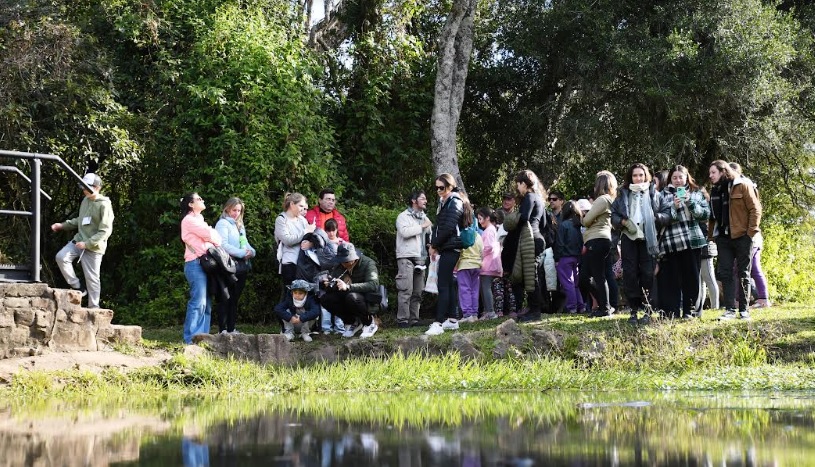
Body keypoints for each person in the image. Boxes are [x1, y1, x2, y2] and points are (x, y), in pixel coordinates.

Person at [709, 160, 762, 320]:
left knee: (743, 273)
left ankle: (744, 310)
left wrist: (750, 233)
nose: (710, 176)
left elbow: (755, 209)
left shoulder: (742, 185)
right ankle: (730, 310)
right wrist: (712, 236)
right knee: (725, 273)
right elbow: (712, 217)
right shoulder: (715, 190)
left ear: (723, 172)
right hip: (723, 238)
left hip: (742, 237)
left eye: (713, 172)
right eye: (710, 173)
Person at [52, 173, 115, 308]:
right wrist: (62, 225)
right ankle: (78, 287)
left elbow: (105, 231)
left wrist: (88, 244)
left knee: (92, 278)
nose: (84, 190)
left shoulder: (104, 205)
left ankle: (94, 307)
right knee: (61, 257)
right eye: (83, 186)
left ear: (97, 187)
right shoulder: (85, 201)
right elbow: (80, 220)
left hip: (93, 247)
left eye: (87, 187)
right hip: (78, 241)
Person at [655, 165, 710, 319]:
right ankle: (671, 312)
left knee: (691, 278)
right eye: (675, 177)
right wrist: (674, 206)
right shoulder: (662, 195)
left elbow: (705, 215)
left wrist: (690, 202)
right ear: (670, 179)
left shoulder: (696, 193)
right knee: (670, 280)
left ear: (687, 177)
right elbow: (660, 218)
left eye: (681, 177)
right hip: (670, 242)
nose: (678, 180)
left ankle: (690, 311)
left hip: (692, 241)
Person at [610, 163, 661, 324]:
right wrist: (623, 222)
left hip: (648, 238)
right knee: (630, 274)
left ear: (646, 176)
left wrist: (656, 219)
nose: (638, 178)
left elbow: (662, 213)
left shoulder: (654, 193)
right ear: (630, 177)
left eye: (641, 175)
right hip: (629, 237)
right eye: (635, 175)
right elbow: (613, 215)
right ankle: (633, 309)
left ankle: (647, 309)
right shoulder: (623, 194)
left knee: (647, 273)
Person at [502, 170, 548, 322]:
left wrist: (512, 219)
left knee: (530, 277)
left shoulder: (529, 196)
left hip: (530, 240)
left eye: (518, 184)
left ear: (524, 183)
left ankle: (535, 311)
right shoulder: (540, 199)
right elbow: (544, 223)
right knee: (532, 275)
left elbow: (524, 217)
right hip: (538, 238)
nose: (517, 187)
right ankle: (532, 308)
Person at [426, 173, 468, 336]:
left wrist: (434, 245)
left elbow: (449, 227)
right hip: (447, 247)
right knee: (449, 283)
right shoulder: (445, 202)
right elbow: (440, 227)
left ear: (450, 187)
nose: (438, 191)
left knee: (442, 285)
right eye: (436, 188)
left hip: (451, 248)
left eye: (441, 188)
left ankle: (438, 323)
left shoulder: (454, 202)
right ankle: (452, 320)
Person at [180, 192, 222, 344]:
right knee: (199, 302)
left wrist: (212, 235)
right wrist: (211, 234)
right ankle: (191, 339)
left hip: (205, 265)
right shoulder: (189, 220)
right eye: (199, 198)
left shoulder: (199, 219)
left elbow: (217, 239)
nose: (202, 200)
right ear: (190, 204)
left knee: (207, 303)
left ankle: (203, 339)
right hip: (195, 264)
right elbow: (210, 234)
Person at [213, 198, 255, 335]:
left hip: (241, 265)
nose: (236, 213)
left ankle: (231, 328)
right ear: (227, 209)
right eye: (234, 210)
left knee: (234, 298)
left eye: (239, 211)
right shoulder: (222, 224)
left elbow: (245, 243)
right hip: (227, 266)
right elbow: (223, 245)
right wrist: (242, 253)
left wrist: (251, 252)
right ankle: (223, 329)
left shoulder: (240, 225)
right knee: (225, 297)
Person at [321, 243, 380, 338]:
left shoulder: (368, 263)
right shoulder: (340, 265)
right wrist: (327, 284)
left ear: (354, 259)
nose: (343, 264)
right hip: (347, 297)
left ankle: (369, 323)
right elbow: (333, 282)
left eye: (346, 261)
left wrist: (348, 287)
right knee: (326, 299)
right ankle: (352, 322)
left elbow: (373, 284)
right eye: (342, 261)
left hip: (365, 299)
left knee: (352, 297)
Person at [581, 171, 617, 317]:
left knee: (597, 276)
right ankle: (605, 304)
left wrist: (585, 217)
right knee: (586, 277)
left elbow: (586, 221)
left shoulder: (602, 200)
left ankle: (605, 308)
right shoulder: (609, 200)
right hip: (600, 240)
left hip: (597, 239)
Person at [395, 190, 433, 328]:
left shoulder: (424, 217)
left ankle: (414, 319)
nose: (425, 201)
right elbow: (405, 232)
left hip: (421, 258)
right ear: (413, 200)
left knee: (418, 291)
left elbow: (429, 234)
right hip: (406, 256)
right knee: (406, 289)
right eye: (422, 198)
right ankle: (403, 320)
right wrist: (422, 226)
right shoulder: (403, 216)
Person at [275, 193, 315, 287]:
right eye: (300, 206)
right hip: (289, 264)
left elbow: (311, 238)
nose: (302, 209)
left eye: (304, 207)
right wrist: (305, 232)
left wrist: (310, 243)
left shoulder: (302, 220)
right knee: (291, 293)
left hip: (304, 263)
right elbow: (287, 240)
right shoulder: (281, 219)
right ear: (292, 204)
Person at [554, 201, 585, 314]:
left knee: (568, 283)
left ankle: (572, 307)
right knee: (575, 284)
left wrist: (557, 259)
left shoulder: (563, 225)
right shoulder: (578, 225)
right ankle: (581, 306)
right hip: (576, 258)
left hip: (565, 257)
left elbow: (560, 243)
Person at [456, 197, 483, 323]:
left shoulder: (461, 235)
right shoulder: (477, 235)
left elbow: (458, 251)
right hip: (477, 265)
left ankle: (467, 314)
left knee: (464, 289)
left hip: (464, 265)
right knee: (474, 290)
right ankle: (474, 314)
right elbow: (482, 250)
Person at [477, 207, 502, 320]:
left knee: (485, 287)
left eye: (480, 218)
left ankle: (490, 311)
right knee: (485, 287)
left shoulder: (489, 230)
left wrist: (479, 254)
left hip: (488, 263)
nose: (479, 222)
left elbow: (489, 246)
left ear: (487, 218)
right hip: (490, 262)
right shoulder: (491, 229)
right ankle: (488, 311)